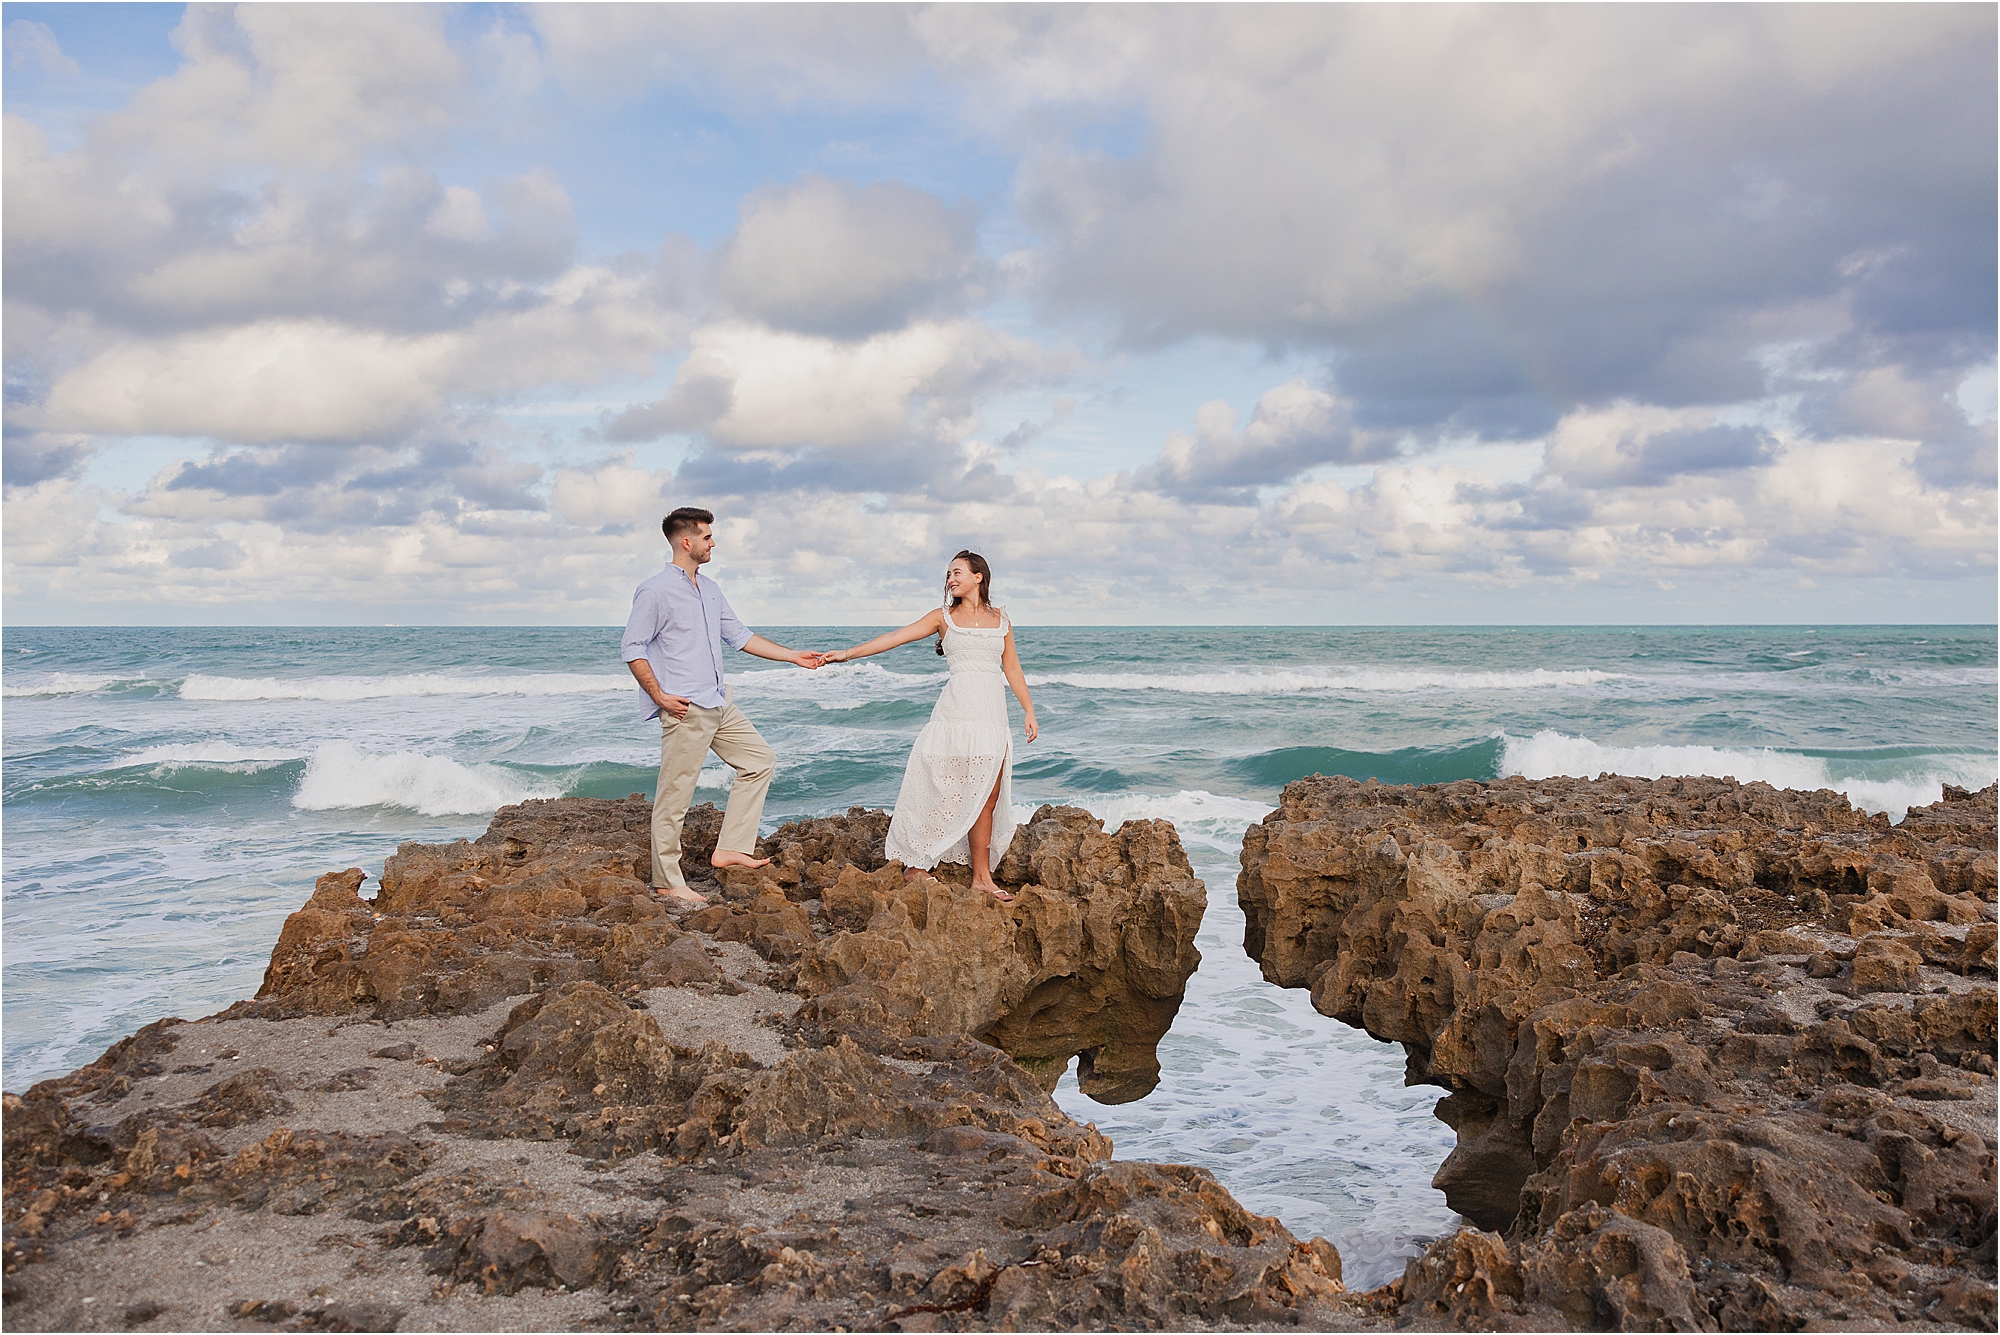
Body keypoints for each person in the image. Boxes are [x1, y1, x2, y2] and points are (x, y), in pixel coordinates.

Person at [622, 507, 824, 907]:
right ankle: (667, 881)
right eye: (707, 536)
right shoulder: (655, 590)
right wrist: (659, 695)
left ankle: (731, 848)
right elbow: (632, 646)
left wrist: (793, 657)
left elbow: (739, 636)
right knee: (675, 796)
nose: (713, 542)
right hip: (685, 707)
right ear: (687, 542)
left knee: (760, 760)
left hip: (718, 701)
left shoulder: (710, 588)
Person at [823, 551, 1037, 903]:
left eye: (957, 573)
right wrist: (846, 654)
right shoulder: (943, 618)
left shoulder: (1002, 620)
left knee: (988, 797)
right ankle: (916, 863)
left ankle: (982, 878)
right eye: (949, 574)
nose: (951, 579)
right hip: (955, 714)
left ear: (978, 577)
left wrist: (1029, 710)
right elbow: (896, 637)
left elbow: (1011, 668)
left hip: (992, 718)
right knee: (940, 786)